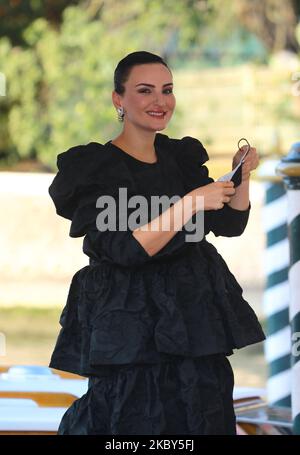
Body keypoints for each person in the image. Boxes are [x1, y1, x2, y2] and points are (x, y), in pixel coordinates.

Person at [48, 51, 265, 435]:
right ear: (119, 99)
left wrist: (242, 176)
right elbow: (124, 250)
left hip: (193, 316)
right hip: (129, 323)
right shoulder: (94, 168)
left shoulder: (180, 159)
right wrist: (191, 202)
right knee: (131, 418)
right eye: (145, 90)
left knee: (204, 412)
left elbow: (230, 225)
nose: (159, 101)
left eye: (167, 90)